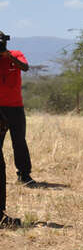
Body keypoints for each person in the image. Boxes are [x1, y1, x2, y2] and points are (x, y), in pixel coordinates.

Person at [0, 32, 33, 228]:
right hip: (0, 108)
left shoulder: (16, 53)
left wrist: (8, 56)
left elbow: (26, 67)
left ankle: (24, 174)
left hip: (16, 107)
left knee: (19, 141)